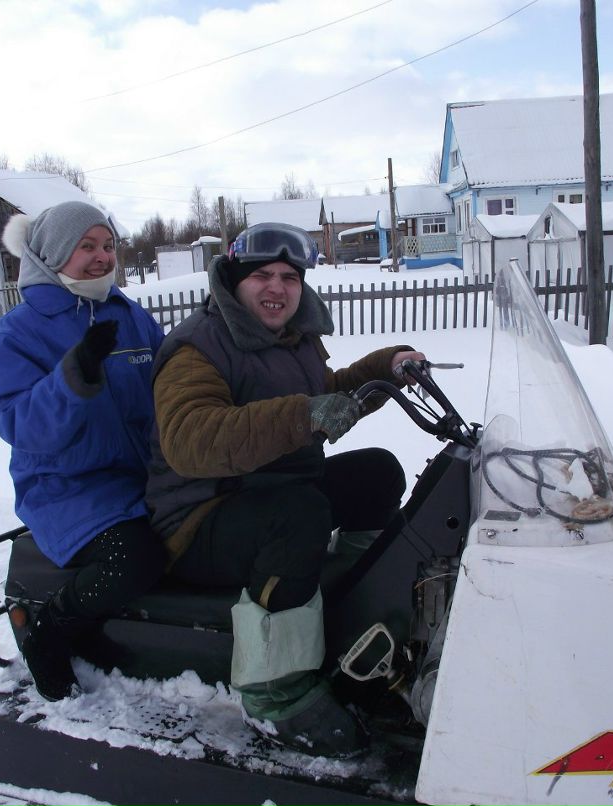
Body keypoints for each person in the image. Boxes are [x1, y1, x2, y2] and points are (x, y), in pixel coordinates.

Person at [145, 222, 423, 758]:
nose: (278, 288)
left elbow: (324, 397)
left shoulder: (290, 338)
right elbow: (189, 440)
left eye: (290, 277)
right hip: (198, 516)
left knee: (378, 473)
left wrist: (384, 366)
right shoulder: (196, 348)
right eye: (263, 276)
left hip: (269, 489)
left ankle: (354, 602)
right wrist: (302, 416)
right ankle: (275, 692)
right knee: (299, 515)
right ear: (233, 280)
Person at [0, 200, 166, 702]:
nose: (101, 257)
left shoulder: (130, 317)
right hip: (67, 489)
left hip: (144, 476)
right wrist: (71, 379)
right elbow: (16, 422)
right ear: (53, 253)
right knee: (132, 560)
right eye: (86, 246)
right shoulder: (18, 332)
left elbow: (170, 390)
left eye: (108, 245)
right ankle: (50, 634)